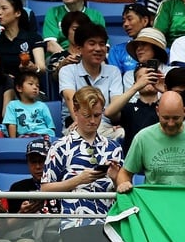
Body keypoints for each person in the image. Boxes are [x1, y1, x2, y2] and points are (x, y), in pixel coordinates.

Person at [42, 86, 127, 225]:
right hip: (74, 223)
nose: (93, 121)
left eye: (97, 115)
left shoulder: (114, 147)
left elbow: (124, 189)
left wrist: (116, 179)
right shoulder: (60, 146)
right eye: (87, 115)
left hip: (109, 223)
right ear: (75, 111)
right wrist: (78, 180)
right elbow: (45, 189)